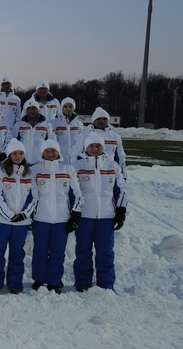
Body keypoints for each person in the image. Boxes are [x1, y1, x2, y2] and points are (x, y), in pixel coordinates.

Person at [73, 133, 127, 291]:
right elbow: (72, 192)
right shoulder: (77, 167)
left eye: (98, 146)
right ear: (86, 148)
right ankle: (83, 282)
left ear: (103, 147)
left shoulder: (112, 166)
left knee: (105, 252)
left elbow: (121, 190)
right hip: (84, 217)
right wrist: (74, 212)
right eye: (91, 146)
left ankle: (106, 283)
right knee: (83, 250)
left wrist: (121, 210)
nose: (95, 149)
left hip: (106, 216)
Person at [30, 139, 83, 293]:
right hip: (41, 218)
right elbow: (32, 194)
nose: (50, 154)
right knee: (40, 250)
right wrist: (30, 216)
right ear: (42, 153)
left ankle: (54, 281)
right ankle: (39, 279)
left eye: (53, 151)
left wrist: (76, 213)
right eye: (47, 151)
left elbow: (77, 193)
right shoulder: (34, 170)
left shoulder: (68, 169)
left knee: (57, 252)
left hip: (61, 218)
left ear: (58, 152)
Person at [0, 138, 36, 294]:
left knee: (17, 252)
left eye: (21, 153)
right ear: (9, 155)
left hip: (21, 222)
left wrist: (24, 215)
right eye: (15, 153)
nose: (18, 156)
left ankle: (14, 283)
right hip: (2, 221)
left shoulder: (30, 174)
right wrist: (9, 215)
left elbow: (34, 197)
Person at [76, 107, 127, 177]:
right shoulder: (84, 135)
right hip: (88, 173)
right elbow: (76, 155)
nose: (102, 121)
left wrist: (123, 175)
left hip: (108, 173)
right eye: (99, 119)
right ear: (93, 120)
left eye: (104, 119)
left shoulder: (115, 137)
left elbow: (120, 157)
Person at [10, 99, 52, 165]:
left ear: (38, 110)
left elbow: (52, 143)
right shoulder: (19, 125)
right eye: (28, 109)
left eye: (34, 108)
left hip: (41, 163)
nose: (31, 110)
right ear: (25, 110)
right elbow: (12, 142)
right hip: (23, 162)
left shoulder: (47, 125)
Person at [49, 97, 85, 164]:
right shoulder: (54, 123)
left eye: (70, 106)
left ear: (73, 108)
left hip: (75, 160)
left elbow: (81, 142)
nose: (68, 109)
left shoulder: (79, 124)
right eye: (65, 106)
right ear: (62, 108)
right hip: (59, 160)